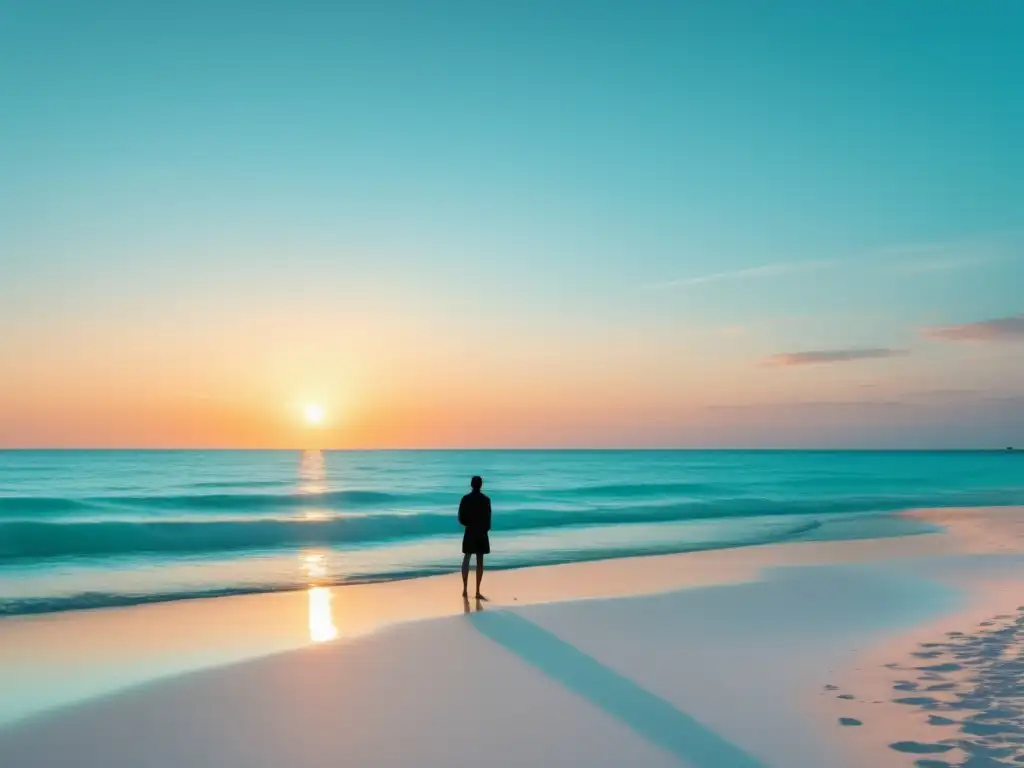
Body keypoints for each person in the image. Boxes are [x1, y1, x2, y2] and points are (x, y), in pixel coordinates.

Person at [459, 475, 491, 599]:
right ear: (481, 485)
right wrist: (484, 528)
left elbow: (461, 518)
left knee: (466, 558)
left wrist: (468, 525)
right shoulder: (486, 500)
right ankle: (477, 591)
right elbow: (488, 519)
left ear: (471, 485)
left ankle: (465, 589)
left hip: (470, 531)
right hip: (481, 532)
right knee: (480, 561)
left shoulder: (465, 499)